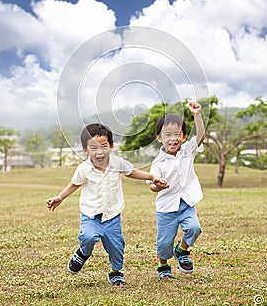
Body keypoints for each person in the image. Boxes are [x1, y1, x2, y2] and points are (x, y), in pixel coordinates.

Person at [46, 123, 168, 286]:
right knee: (88, 237)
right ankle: (83, 253)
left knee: (116, 246)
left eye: (104, 146)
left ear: (111, 145)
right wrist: (60, 197)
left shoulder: (117, 163)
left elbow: (131, 172)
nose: (99, 152)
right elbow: (74, 184)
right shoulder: (84, 169)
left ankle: (116, 272)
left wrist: (152, 177)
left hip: (112, 215)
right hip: (90, 215)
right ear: (85, 150)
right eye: (93, 147)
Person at [149, 102, 205, 280]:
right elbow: (152, 186)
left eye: (178, 134)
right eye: (168, 135)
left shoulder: (188, 151)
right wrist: (159, 185)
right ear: (159, 138)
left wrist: (197, 115)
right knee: (164, 243)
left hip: (187, 202)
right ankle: (163, 264)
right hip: (166, 207)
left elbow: (201, 136)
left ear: (184, 136)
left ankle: (182, 250)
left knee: (194, 228)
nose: (173, 139)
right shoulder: (158, 163)